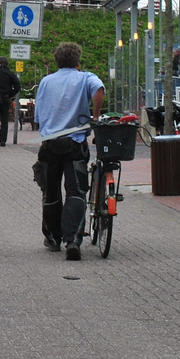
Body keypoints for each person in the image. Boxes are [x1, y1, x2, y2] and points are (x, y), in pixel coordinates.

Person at [32, 41, 105, 259]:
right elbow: (99, 89)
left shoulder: (46, 81)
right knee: (76, 192)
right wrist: (95, 116)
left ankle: (53, 237)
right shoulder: (85, 78)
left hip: (50, 145)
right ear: (77, 61)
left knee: (51, 191)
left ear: (56, 60)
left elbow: (38, 116)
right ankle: (72, 239)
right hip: (74, 144)